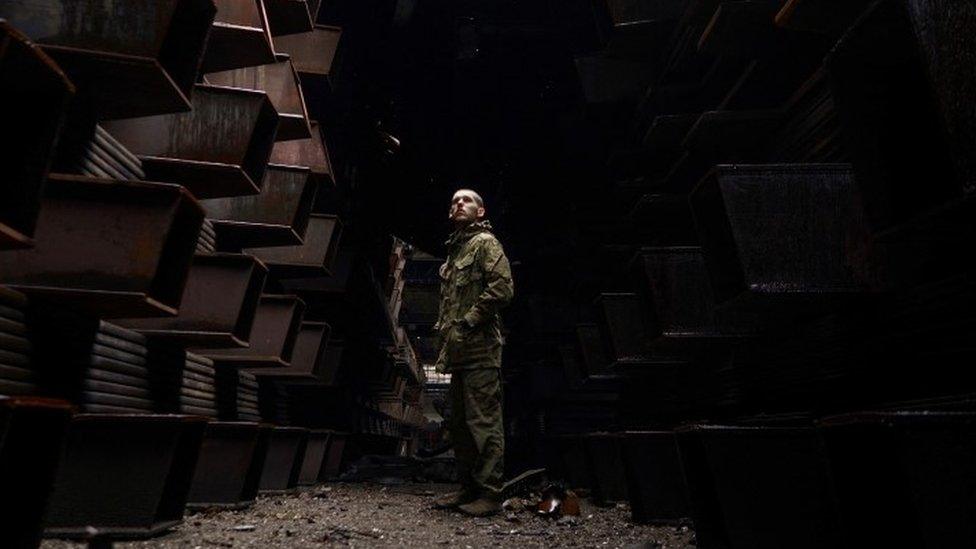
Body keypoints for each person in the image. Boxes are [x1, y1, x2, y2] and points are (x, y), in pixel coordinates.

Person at [432, 189, 514, 517]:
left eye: (466, 200)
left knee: (483, 420)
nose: (458, 204)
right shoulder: (455, 253)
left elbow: (503, 289)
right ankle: (468, 489)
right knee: (461, 424)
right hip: (459, 352)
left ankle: (491, 494)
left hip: (481, 349)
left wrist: (468, 322)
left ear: (480, 211)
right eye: (453, 201)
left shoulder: (485, 244)